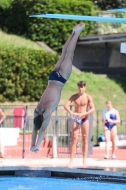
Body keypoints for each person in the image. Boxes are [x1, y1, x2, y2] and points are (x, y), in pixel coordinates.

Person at [30, 22, 85, 152]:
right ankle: (73, 32)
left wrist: (36, 146)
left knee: (69, 54)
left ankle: (76, 33)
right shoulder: (37, 110)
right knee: (64, 53)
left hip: (60, 80)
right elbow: (34, 130)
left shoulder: (47, 110)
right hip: (52, 78)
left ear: (43, 120)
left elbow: (41, 130)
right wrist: (33, 145)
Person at [64, 81, 95, 167]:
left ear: (85, 88)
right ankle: (71, 161)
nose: (81, 89)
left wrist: (85, 114)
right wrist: (72, 112)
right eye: (79, 87)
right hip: (76, 118)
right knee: (74, 139)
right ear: (78, 87)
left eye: (82, 87)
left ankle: (84, 160)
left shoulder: (88, 97)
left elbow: (93, 109)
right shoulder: (74, 96)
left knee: (85, 139)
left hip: (84, 118)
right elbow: (66, 105)